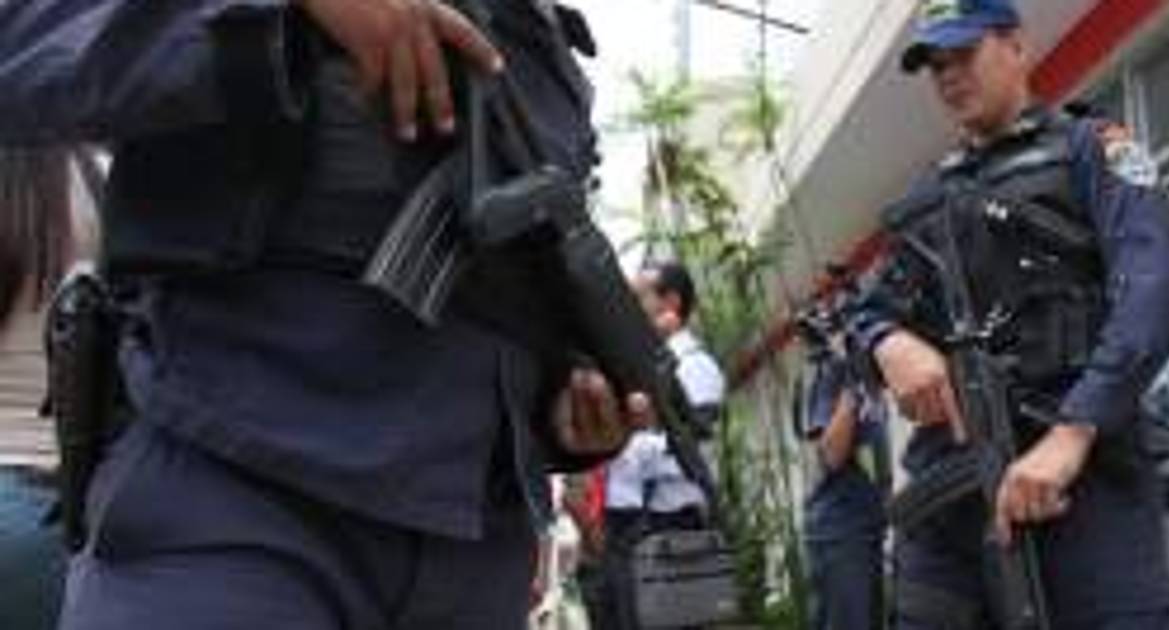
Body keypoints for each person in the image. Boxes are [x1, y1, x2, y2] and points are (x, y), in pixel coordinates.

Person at [0, 2, 649, 629]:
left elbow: (514, 294)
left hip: (471, 550)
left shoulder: (547, 51)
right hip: (233, 503)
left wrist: (566, 403)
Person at [849, 1, 1169, 628]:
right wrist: (886, 340)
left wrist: (1073, 432)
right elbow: (863, 313)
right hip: (956, 497)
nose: (949, 75)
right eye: (935, 65)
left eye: (964, 53)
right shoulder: (925, 199)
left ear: (1017, 47)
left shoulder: (1092, 151)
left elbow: (1154, 293)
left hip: (1087, 487)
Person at [593, 260, 726, 630]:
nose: (630, 307)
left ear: (671, 302)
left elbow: (688, 446)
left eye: (639, 297)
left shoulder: (694, 365)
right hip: (632, 528)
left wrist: (627, 429)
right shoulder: (648, 363)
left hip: (666, 524)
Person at [796, 301, 886, 630]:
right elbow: (831, 453)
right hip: (840, 528)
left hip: (862, 521)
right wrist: (852, 388)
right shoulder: (827, 371)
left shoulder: (861, 369)